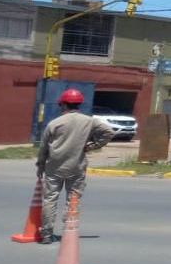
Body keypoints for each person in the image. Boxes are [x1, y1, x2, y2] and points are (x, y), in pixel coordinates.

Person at [34, 88, 114, 244]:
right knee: (73, 200)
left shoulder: (54, 123)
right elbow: (108, 132)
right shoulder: (89, 121)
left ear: (63, 104)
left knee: (50, 199)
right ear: (79, 104)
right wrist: (92, 146)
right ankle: (69, 232)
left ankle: (46, 234)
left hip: (54, 168)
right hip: (76, 167)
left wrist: (40, 166)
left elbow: (43, 148)